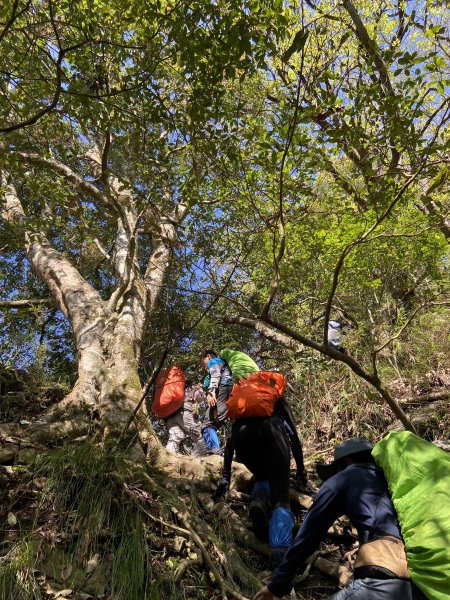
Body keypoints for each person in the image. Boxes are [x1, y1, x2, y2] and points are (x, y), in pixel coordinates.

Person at [252, 438, 427, 600]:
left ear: (347, 462)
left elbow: (308, 537)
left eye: (336, 470)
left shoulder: (345, 478)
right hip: (421, 584)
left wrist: (276, 586)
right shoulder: (393, 482)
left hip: (383, 578)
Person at [214, 396, 308, 567]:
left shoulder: (243, 401)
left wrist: (226, 476)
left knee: (263, 475)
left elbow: (229, 444)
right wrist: (301, 470)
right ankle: (279, 553)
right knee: (281, 497)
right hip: (271, 431)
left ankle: (257, 501)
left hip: (241, 438)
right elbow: (293, 435)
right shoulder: (276, 397)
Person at [201, 350, 233, 455]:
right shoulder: (224, 364)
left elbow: (215, 374)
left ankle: (215, 452)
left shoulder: (213, 361)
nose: (204, 364)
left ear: (208, 357)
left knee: (207, 424)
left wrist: (211, 392)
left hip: (224, 389)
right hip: (231, 391)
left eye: (203, 361)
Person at [165, 380, 208, 457]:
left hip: (171, 416)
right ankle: (196, 462)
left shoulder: (177, 389)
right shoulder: (193, 387)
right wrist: (205, 391)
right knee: (199, 437)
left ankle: (168, 459)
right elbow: (203, 397)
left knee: (174, 439)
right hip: (185, 413)